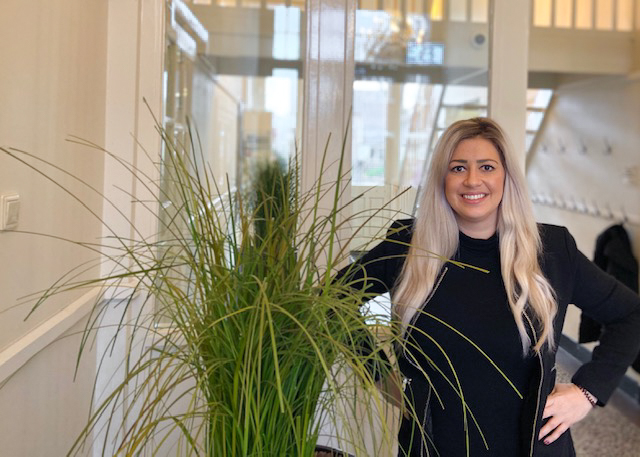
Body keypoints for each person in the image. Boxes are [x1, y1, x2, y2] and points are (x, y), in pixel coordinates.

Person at [337, 117, 640, 456]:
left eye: (487, 167)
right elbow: (332, 302)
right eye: (457, 168)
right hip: (434, 446)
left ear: (506, 176)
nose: (472, 180)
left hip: (533, 447)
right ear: (441, 177)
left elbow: (631, 314)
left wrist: (587, 392)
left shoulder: (552, 250)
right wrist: (382, 377)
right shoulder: (408, 247)